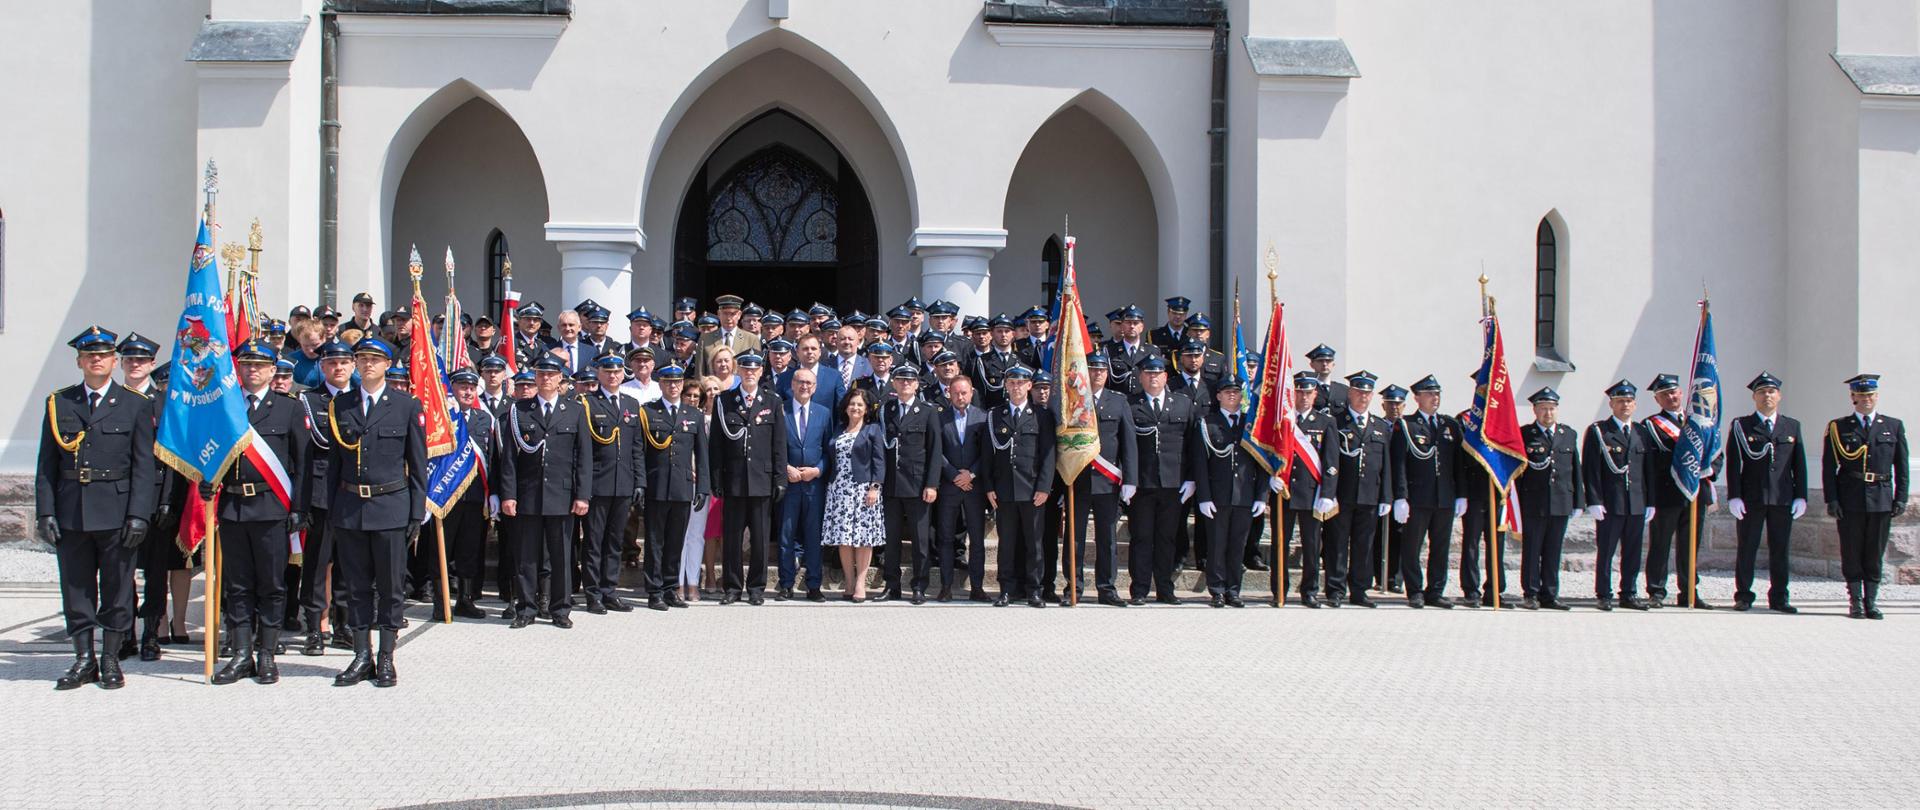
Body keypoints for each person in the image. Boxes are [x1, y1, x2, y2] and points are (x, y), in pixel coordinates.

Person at [38, 326, 156, 690]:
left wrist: (139, 514)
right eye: (90, 355)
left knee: (118, 588)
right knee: (76, 588)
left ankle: (110, 658)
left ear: (113, 361)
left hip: (116, 510)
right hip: (72, 510)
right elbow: (46, 465)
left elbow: (143, 467)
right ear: (79, 361)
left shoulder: (136, 404)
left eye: (103, 355)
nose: (96, 360)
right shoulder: (61, 403)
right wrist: (45, 512)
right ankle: (83, 658)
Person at [323, 337, 428, 687]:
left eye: (375, 359)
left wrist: (416, 514)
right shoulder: (342, 405)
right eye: (362, 358)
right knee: (355, 587)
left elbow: (417, 464)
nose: (368, 364)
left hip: (391, 507)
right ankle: (360, 654)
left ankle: (386, 656)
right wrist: (333, 511)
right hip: (351, 508)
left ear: (387, 364)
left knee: (390, 586)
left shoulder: (405, 406)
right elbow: (335, 465)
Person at [208, 339, 310, 684]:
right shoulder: (227, 406)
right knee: (237, 585)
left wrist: (298, 508)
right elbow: (212, 452)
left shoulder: (289, 408)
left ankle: (266, 653)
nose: (253, 371)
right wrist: (207, 481)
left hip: (271, 508)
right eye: (247, 365)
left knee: (271, 584)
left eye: (260, 366)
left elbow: (301, 464)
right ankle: (240, 654)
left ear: (272, 370)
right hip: (234, 506)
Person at [499, 355, 593, 630]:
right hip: (528, 494)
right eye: (541, 374)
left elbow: (583, 457)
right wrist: (508, 494)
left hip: (562, 495)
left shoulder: (574, 411)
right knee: (527, 556)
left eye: (551, 375)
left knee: (562, 556)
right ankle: (526, 608)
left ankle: (560, 608)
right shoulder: (520, 411)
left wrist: (582, 495)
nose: (545, 379)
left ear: (561, 379)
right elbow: (509, 459)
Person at [1823, 374, 1908, 620]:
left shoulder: (1892, 425)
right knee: (1851, 550)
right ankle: (1856, 602)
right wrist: (1832, 499)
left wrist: (1900, 498)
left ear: (1876, 396)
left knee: (1874, 551)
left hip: (1881, 497)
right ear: (1853, 398)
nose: (1866, 400)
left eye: (1870, 395)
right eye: (1861, 396)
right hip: (1850, 497)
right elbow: (1829, 467)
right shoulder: (1839, 427)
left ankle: (1872, 601)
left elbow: (1901, 467)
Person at [1724, 372, 1807, 612]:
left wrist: (1800, 495)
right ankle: (1744, 596)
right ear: (1754, 397)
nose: (1767, 396)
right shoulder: (1742, 425)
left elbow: (1798, 464)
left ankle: (1780, 598)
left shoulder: (1791, 426)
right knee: (1747, 547)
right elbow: (1734, 463)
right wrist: (1734, 495)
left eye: (1771, 392)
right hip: (1751, 497)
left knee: (1780, 549)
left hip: (1782, 498)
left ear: (1779, 396)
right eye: (1761, 392)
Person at [711, 352, 787, 605]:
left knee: (760, 538)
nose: (749, 372)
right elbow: (716, 445)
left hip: (762, 480)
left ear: (761, 371)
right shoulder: (724, 401)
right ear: (738, 370)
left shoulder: (773, 401)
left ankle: (756, 588)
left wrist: (779, 479)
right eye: (744, 368)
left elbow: (779, 444)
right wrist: (716, 479)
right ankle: (732, 587)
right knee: (732, 538)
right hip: (733, 481)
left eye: (754, 369)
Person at [296, 339, 355, 654]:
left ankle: (342, 625)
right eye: (332, 363)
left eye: (344, 363)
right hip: (320, 494)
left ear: (352, 366)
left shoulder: (360, 401)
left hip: (352, 495)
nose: (339, 368)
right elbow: (303, 457)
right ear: (322, 366)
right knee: (317, 564)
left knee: (348, 563)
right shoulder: (307, 401)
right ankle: (314, 628)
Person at [1063, 353, 1137, 607]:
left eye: (1101, 370)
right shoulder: (1073, 400)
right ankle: (1074, 586)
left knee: (1107, 538)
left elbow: (1128, 442)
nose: (1097, 374)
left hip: (1108, 482)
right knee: (1075, 537)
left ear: (1107, 373)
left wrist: (1130, 478)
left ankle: (1107, 587)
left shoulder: (1118, 402)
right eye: (1092, 369)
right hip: (1079, 478)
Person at [1640, 373, 1717, 609]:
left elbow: (1716, 454)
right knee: (1660, 543)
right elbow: (1651, 462)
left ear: (1682, 393)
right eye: (1665, 394)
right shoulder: (1651, 425)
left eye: (1674, 392)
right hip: (1667, 493)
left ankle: (1689, 591)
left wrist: (1708, 471)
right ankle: (1656, 590)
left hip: (1695, 492)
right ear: (1658, 400)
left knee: (1690, 544)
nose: (1671, 397)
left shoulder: (1700, 420)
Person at [1192, 378, 1270, 608]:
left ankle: (1234, 590)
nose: (1232, 396)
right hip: (1217, 496)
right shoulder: (1207, 423)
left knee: (1238, 546)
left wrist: (1261, 495)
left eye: (1236, 392)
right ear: (1218, 396)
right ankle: (1216, 590)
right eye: (1227, 392)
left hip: (1244, 496)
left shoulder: (1250, 425)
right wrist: (1204, 497)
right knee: (1216, 546)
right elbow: (1200, 464)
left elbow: (1262, 463)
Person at [1126, 357, 1198, 605]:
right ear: (1141, 377)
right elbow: (1127, 446)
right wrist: (1128, 479)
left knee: (1167, 538)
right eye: (1147, 374)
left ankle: (1165, 588)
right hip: (1142, 485)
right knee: (1141, 537)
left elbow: (1193, 446)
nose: (1152, 378)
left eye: (1157, 374)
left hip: (1173, 484)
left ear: (1166, 377)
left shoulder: (1183, 404)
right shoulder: (1131, 405)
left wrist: (1191, 479)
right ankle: (1140, 589)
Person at [1390, 375, 1465, 609]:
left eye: (1437, 394)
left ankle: (1435, 590)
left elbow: (1458, 463)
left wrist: (1461, 494)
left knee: (1441, 546)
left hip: (1444, 497)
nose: (1435, 398)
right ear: (1417, 397)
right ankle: (1414, 590)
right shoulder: (1406, 425)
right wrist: (1401, 496)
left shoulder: (1449, 426)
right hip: (1418, 497)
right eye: (1430, 394)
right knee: (1412, 545)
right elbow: (1399, 463)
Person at [579, 354, 646, 614]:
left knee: (615, 541)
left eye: (617, 372)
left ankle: (609, 590)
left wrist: (639, 481)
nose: (613, 376)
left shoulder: (631, 403)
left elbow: (637, 447)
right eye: (607, 372)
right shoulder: (587, 403)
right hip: (598, 483)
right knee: (594, 541)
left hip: (623, 484)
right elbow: (583, 451)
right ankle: (592, 593)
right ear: (599, 374)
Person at [984, 366, 1056, 607]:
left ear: (1029, 386)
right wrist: (989, 486)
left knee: (1034, 543)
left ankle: (1034, 589)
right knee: (1007, 542)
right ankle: (1007, 589)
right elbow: (989, 455)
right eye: (1012, 382)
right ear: (1006, 385)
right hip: (1004, 490)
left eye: (1021, 383)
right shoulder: (995, 415)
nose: (1016, 387)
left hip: (1032, 489)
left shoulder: (1042, 416)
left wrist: (1044, 487)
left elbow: (1048, 455)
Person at [639, 364, 708, 611]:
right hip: (656, 486)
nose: (673, 386)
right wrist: (641, 483)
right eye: (668, 382)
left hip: (682, 487)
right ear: (660, 384)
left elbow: (702, 456)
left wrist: (703, 488)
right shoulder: (648, 412)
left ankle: (671, 588)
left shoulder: (694, 415)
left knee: (676, 540)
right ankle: (654, 591)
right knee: (655, 541)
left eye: (677, 382)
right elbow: (640, 452)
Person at [1583, 379, 1652, 612]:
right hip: (1610, 503)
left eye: (1629, 401)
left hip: (1635, 502)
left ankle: (1629, 593)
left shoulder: (1642, 432)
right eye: (1620, 401)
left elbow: (1648, 470)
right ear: (1611, 404)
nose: (1625, 405)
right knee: (1607, 551)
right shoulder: (1599, 431)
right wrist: (1593, 500)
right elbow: (1590, 469)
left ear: (1635, 405)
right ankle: (1604, 593)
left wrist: (1650, 501)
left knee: (1632, 551)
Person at [1324, 371, 1391, 608]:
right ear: (1349, 393)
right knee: (1337, 542)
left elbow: (1387, 466)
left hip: (1369, 495)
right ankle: (1335, 589)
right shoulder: (1336, 422)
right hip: (1343, 493)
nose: (1363, 397)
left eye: (1367, 393)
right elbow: (1331, 459)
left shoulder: (1380, 426)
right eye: (1358, 392)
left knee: (1364, 544)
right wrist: (1328, 493)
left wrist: (1387, 496)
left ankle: (1360, 590)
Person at [876, 364, 942, 604]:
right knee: (891, 540)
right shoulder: (886, 410)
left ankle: (919, 586)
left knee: (920, 540)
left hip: (918, 485)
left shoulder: (928, 411)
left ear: (916, 384)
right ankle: (891, 585)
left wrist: (932, 484)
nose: (905, 383)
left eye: (909, 380)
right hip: (892, 485)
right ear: (893, 383)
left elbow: (935, 451)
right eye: (900, 380)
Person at [1276, 371, 1340, 607]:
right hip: (1284, 491)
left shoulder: (1326, 423)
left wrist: (1328, 494)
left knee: (1312, 545)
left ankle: (1309, 591)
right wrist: (1273, 476)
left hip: (1312, 492)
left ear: (1315, 394)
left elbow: (1332, 462)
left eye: (1308, 392)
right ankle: (1279, 589)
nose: (1304, 397)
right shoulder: (1283, 420)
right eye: (1300, 392)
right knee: (1279, 545)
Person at [1516, 387, 1582, 611]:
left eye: (1552, 408)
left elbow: (1576, 470)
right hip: (1533, 502)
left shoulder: (1568, 434)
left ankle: (1550, 594)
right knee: (1533, 549)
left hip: (1561, 501)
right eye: (1543, 408)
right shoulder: (1524, 434)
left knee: (1554, 550)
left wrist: (1578, 502)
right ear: (1534, 410)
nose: (1548, 413)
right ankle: (1531, 593)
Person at [822, 387, 887, 601]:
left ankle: (861, 583)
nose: (855, 407)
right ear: (846, 407)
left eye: (860, 404)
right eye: (852, 404)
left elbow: (879, 461)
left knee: (863, 538)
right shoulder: (839, 430)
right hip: (839, 490)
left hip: (863, 491)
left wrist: (875, 488)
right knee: (844, 539)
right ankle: (849, 582)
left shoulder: (873, 430)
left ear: (867, 409)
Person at [445, 369, 499, 619]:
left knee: (470, 549)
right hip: (446, 495)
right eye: (462, 387)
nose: (467, 392)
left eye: (471, 387)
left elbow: (490, 458)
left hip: (475, 495)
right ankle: (440, 599)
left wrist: (493, 493)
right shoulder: (443, 417)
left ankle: (465, 600)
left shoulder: (483, 418)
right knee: (443, 550)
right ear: (452, 388)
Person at [776, 368, 832, 602]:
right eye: (800, 382)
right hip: (788, 483)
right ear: (792, 384)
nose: (804, 386)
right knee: (786, 536)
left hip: (813, 484)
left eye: (809, 383)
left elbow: (830, 449)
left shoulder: (824, 413)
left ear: (815, 387)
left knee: (813, 536)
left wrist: (817, 470)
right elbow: (774, 445)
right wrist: (785, 467)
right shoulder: (781, 410)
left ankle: (814, 585)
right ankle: (786, 584)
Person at [935, 376, 991, 602]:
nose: (960, 397)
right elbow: (936, 451)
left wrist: (971, 474)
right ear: (949, 392)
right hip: (949, 487)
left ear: (971, 392)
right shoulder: (939, 418)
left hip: (974, 488)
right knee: (946, 538)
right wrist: (954, 475)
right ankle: (946, 586)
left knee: (977, 539)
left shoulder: (983, 417)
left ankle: (977, 587)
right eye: (956, 392)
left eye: (964, 393)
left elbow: (987, 452)